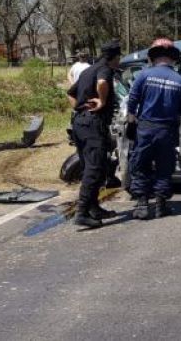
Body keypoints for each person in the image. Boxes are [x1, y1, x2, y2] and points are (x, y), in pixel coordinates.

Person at [126, 38, 181, 220]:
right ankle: (161, 206)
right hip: (167, 129)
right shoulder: (180, 81)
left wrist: (131, 123)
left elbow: (132, 101)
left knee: (141, 165)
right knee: (164, 167)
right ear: (172, 58)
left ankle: (142, 206)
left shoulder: (144, 75)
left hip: (145, 128)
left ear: (153, 57)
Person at [67, 41, 123, 228]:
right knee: (94, 169)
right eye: (118, 58)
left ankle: (93, 207)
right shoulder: (104, 69)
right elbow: (102, 82)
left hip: (80, 123)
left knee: (93, 167)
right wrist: (102, 101)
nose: (118, 61)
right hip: (92, 125)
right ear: (113, 57)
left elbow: (70, 93)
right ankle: (82, 212)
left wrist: (78, 107)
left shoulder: (86, 71)